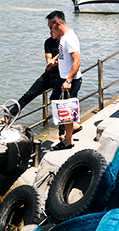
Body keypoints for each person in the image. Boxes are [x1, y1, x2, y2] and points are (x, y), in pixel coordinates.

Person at [47, 10, 82, 151]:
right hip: (63, 78)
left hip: (69, 80)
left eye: (50, 26)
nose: (50, 29)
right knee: (55, 102)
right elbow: (64, 55)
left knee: (65, 109)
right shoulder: (64, 37)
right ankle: (72, 128)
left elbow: (77, 61)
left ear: (57, 23)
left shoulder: (69, 38)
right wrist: (55, 61)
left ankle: (68, 140)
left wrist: (68, 80)